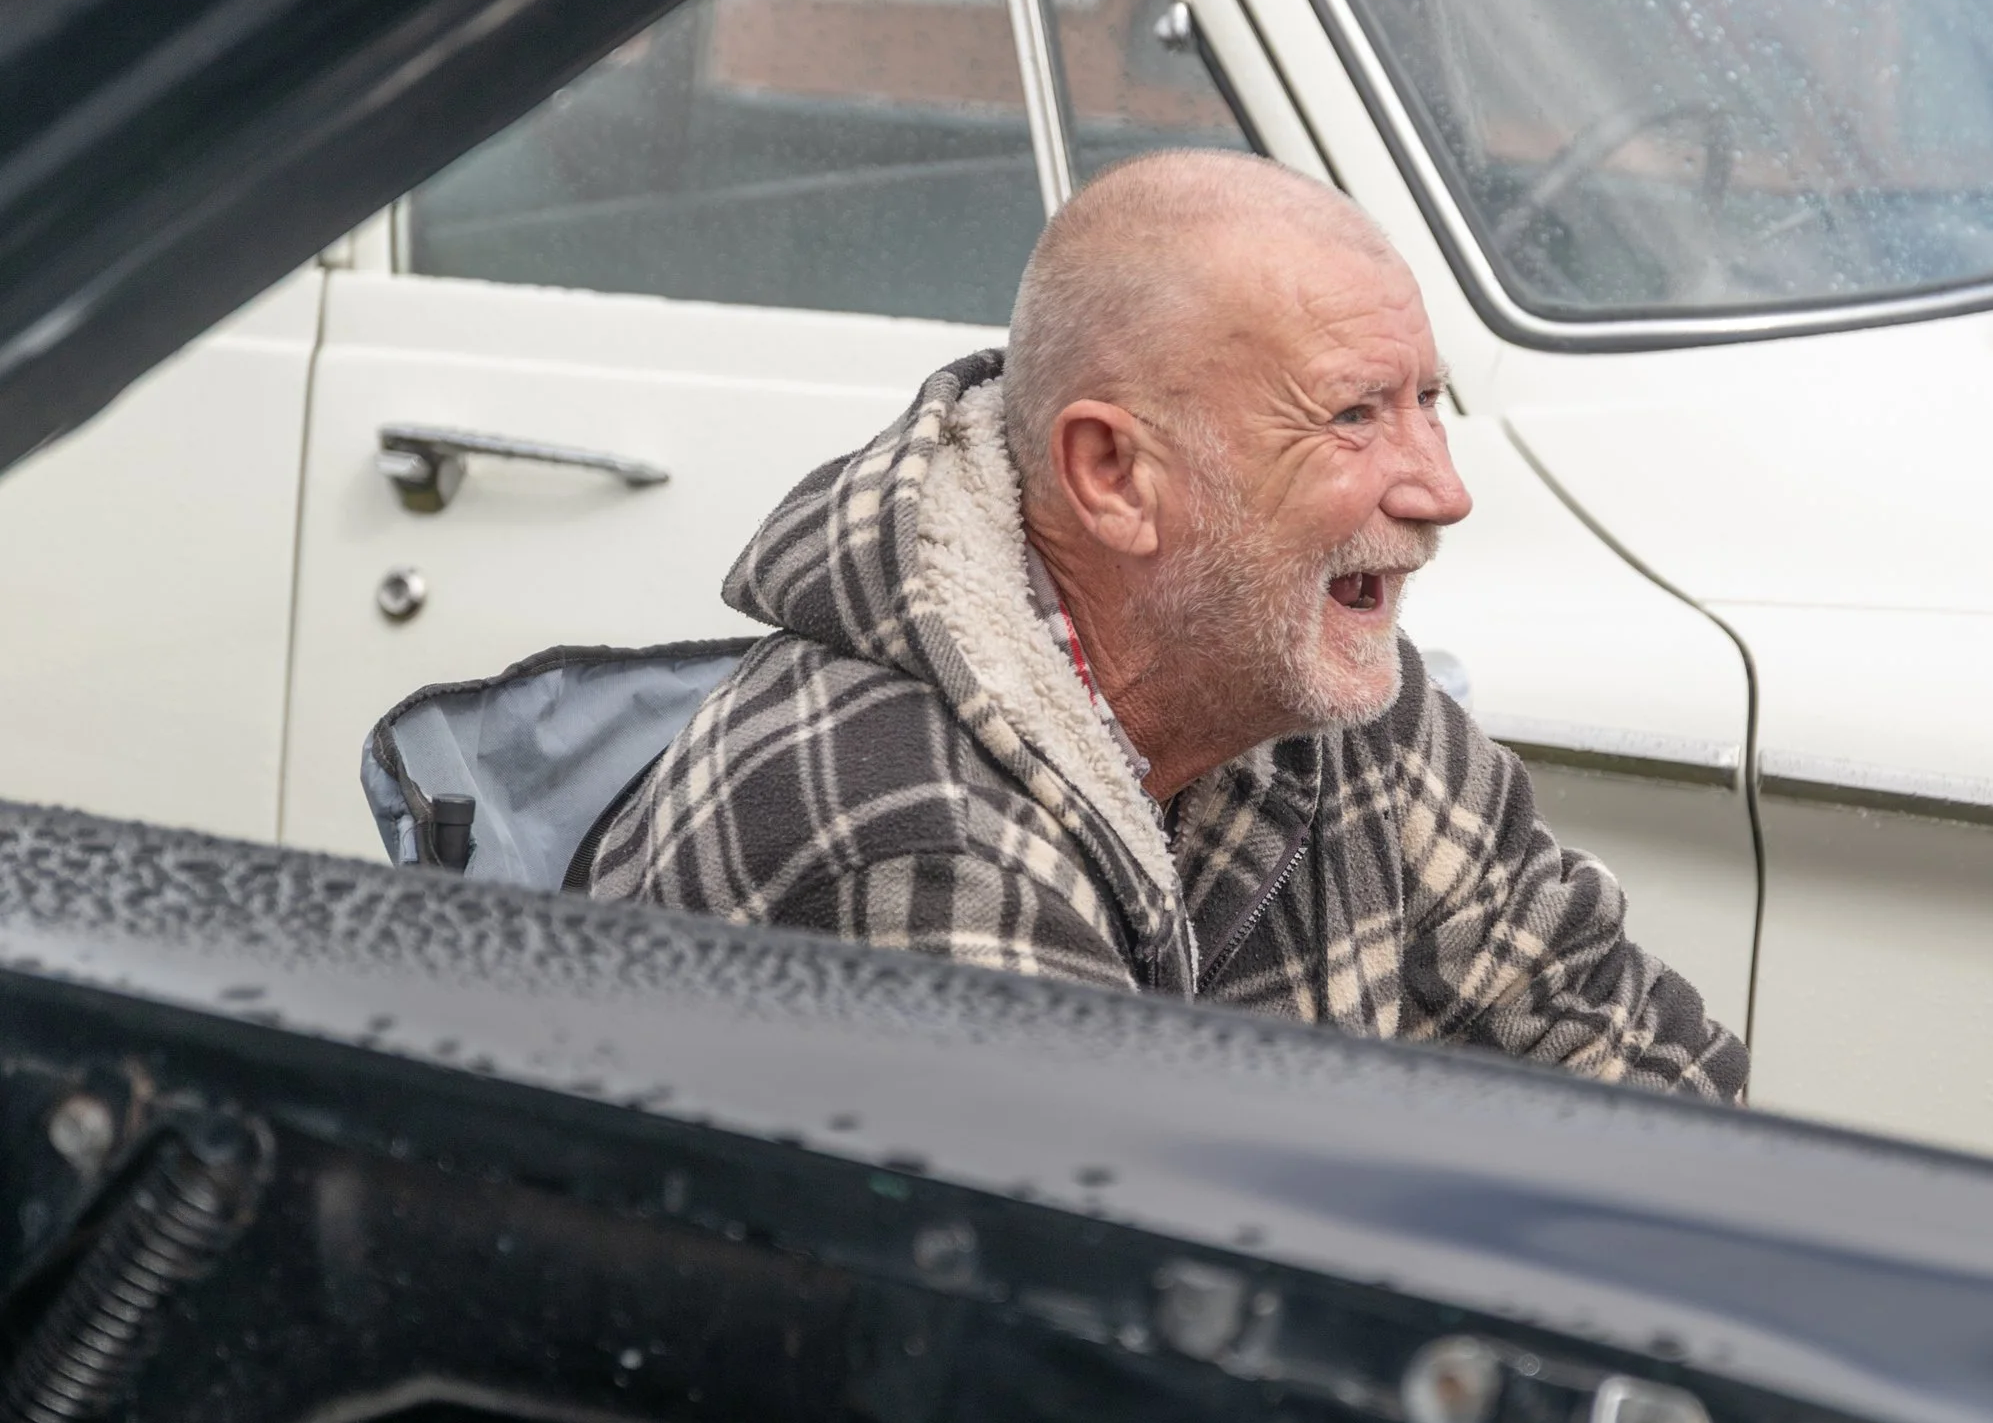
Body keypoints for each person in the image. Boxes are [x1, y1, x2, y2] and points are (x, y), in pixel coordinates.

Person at [590, 152, 1746, 1100]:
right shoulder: (907, 829)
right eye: (1352, 414)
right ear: (1113, 475)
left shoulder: (1311, 683)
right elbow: (1099, 1335)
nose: (1440, 490)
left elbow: (1655, 1079)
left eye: (1425, 403)